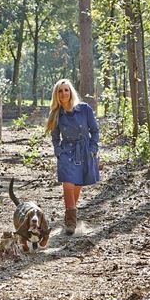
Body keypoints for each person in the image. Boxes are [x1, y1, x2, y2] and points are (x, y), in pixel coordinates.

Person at [45, 79, 100, 235]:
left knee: (77, 186)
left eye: (66, 90)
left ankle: (69, 216)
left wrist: (93, 149)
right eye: (60, 91)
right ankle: (71, 224)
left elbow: (94, 131)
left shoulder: (84, 109)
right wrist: (58, 151)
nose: (64, 93)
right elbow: (55, 137)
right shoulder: (56, 114)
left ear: (71, 92)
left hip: (84, 152)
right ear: (57, 95)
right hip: (66, 153)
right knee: (68, 185)